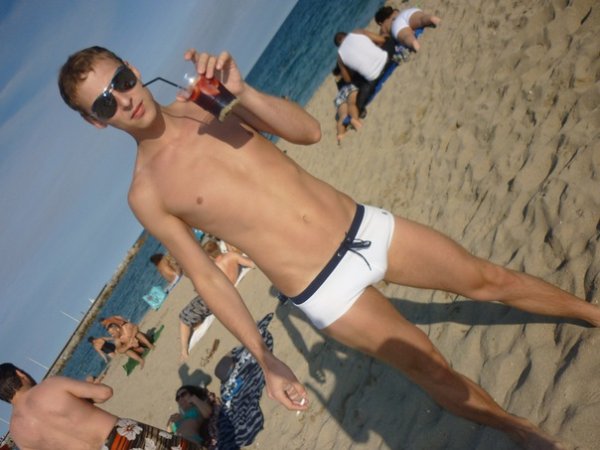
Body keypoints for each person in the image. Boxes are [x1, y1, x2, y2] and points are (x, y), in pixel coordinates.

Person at [57, 45, 600, 448]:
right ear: (94, 122)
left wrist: (242, 92)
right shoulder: (146, 193)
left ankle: (591, 313)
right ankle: (522, 431)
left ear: (132, 69)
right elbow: (205, 275)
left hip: (363, 226)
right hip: (324, 290)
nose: (123, 99)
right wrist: (265, 357)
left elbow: (309, 132)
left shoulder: (204, 101)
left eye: (121, 80)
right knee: (432, 367)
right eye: (104, 104)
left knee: (489, 280)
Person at [0, 362, 205, 449]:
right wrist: (86, 393)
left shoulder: (17, 432)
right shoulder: (49, 386)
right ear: (20, 373)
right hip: (121, 437)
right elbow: (104, 393)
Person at [179, 240, 255, 361]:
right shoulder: (232, 256)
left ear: (209, 256)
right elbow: (251, 264)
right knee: (197, 312)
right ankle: (197, 324)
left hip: (214, 297)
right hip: (224, 293)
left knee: (183, 317)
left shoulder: (213, 268)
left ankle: (184, 350)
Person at [333, 29, 396, 116]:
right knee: (389, 40)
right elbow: (381, 40)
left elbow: (348, 80)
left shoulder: (340, 57)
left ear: (339, 46)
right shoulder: (357, 32)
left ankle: (360, 109)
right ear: (346, 34)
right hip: (386, 60)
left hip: (373, 77)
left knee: (359, 85)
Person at [374, 5, 441, 52]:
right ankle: (432, 19)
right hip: (408, 12)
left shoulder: (383, 26)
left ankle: (413, 43)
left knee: (406, 36)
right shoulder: (395, 11)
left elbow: (383, 39)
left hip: (397, 24)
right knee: (421, 19)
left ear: (380, 22)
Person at [331, 66, 361, 145]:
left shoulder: (337, 78)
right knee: (351, 104)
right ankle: (352, 120)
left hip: (340, 96)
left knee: (343, 115)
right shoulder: (346, 72)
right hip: (349, 89)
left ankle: (340, 134)